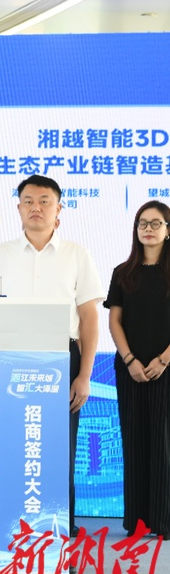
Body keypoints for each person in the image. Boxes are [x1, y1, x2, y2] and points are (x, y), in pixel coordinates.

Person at [0, 174, 101, 540]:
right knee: (16, 452)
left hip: (63, 358)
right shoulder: (0, 254)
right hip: (11, 359)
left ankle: (59, 543)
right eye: (28, 201)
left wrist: (85, 375)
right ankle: (14, 543)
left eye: (45, 201)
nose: (36, 207)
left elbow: (89, 317)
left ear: (59, 209)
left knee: (60, 453)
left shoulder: (77, 254)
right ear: (18, 208)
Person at [107, 200, 170, 537]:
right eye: (142, 223)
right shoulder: (123, 272)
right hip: (131, 369)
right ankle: (137, 521)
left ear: (168, 230)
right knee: (134, 441)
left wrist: (164, 359)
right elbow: (115, 321)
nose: (148, 229)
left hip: (167, 367)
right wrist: (130, 360)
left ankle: (164, 520)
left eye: (156, 223)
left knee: (163, 443)